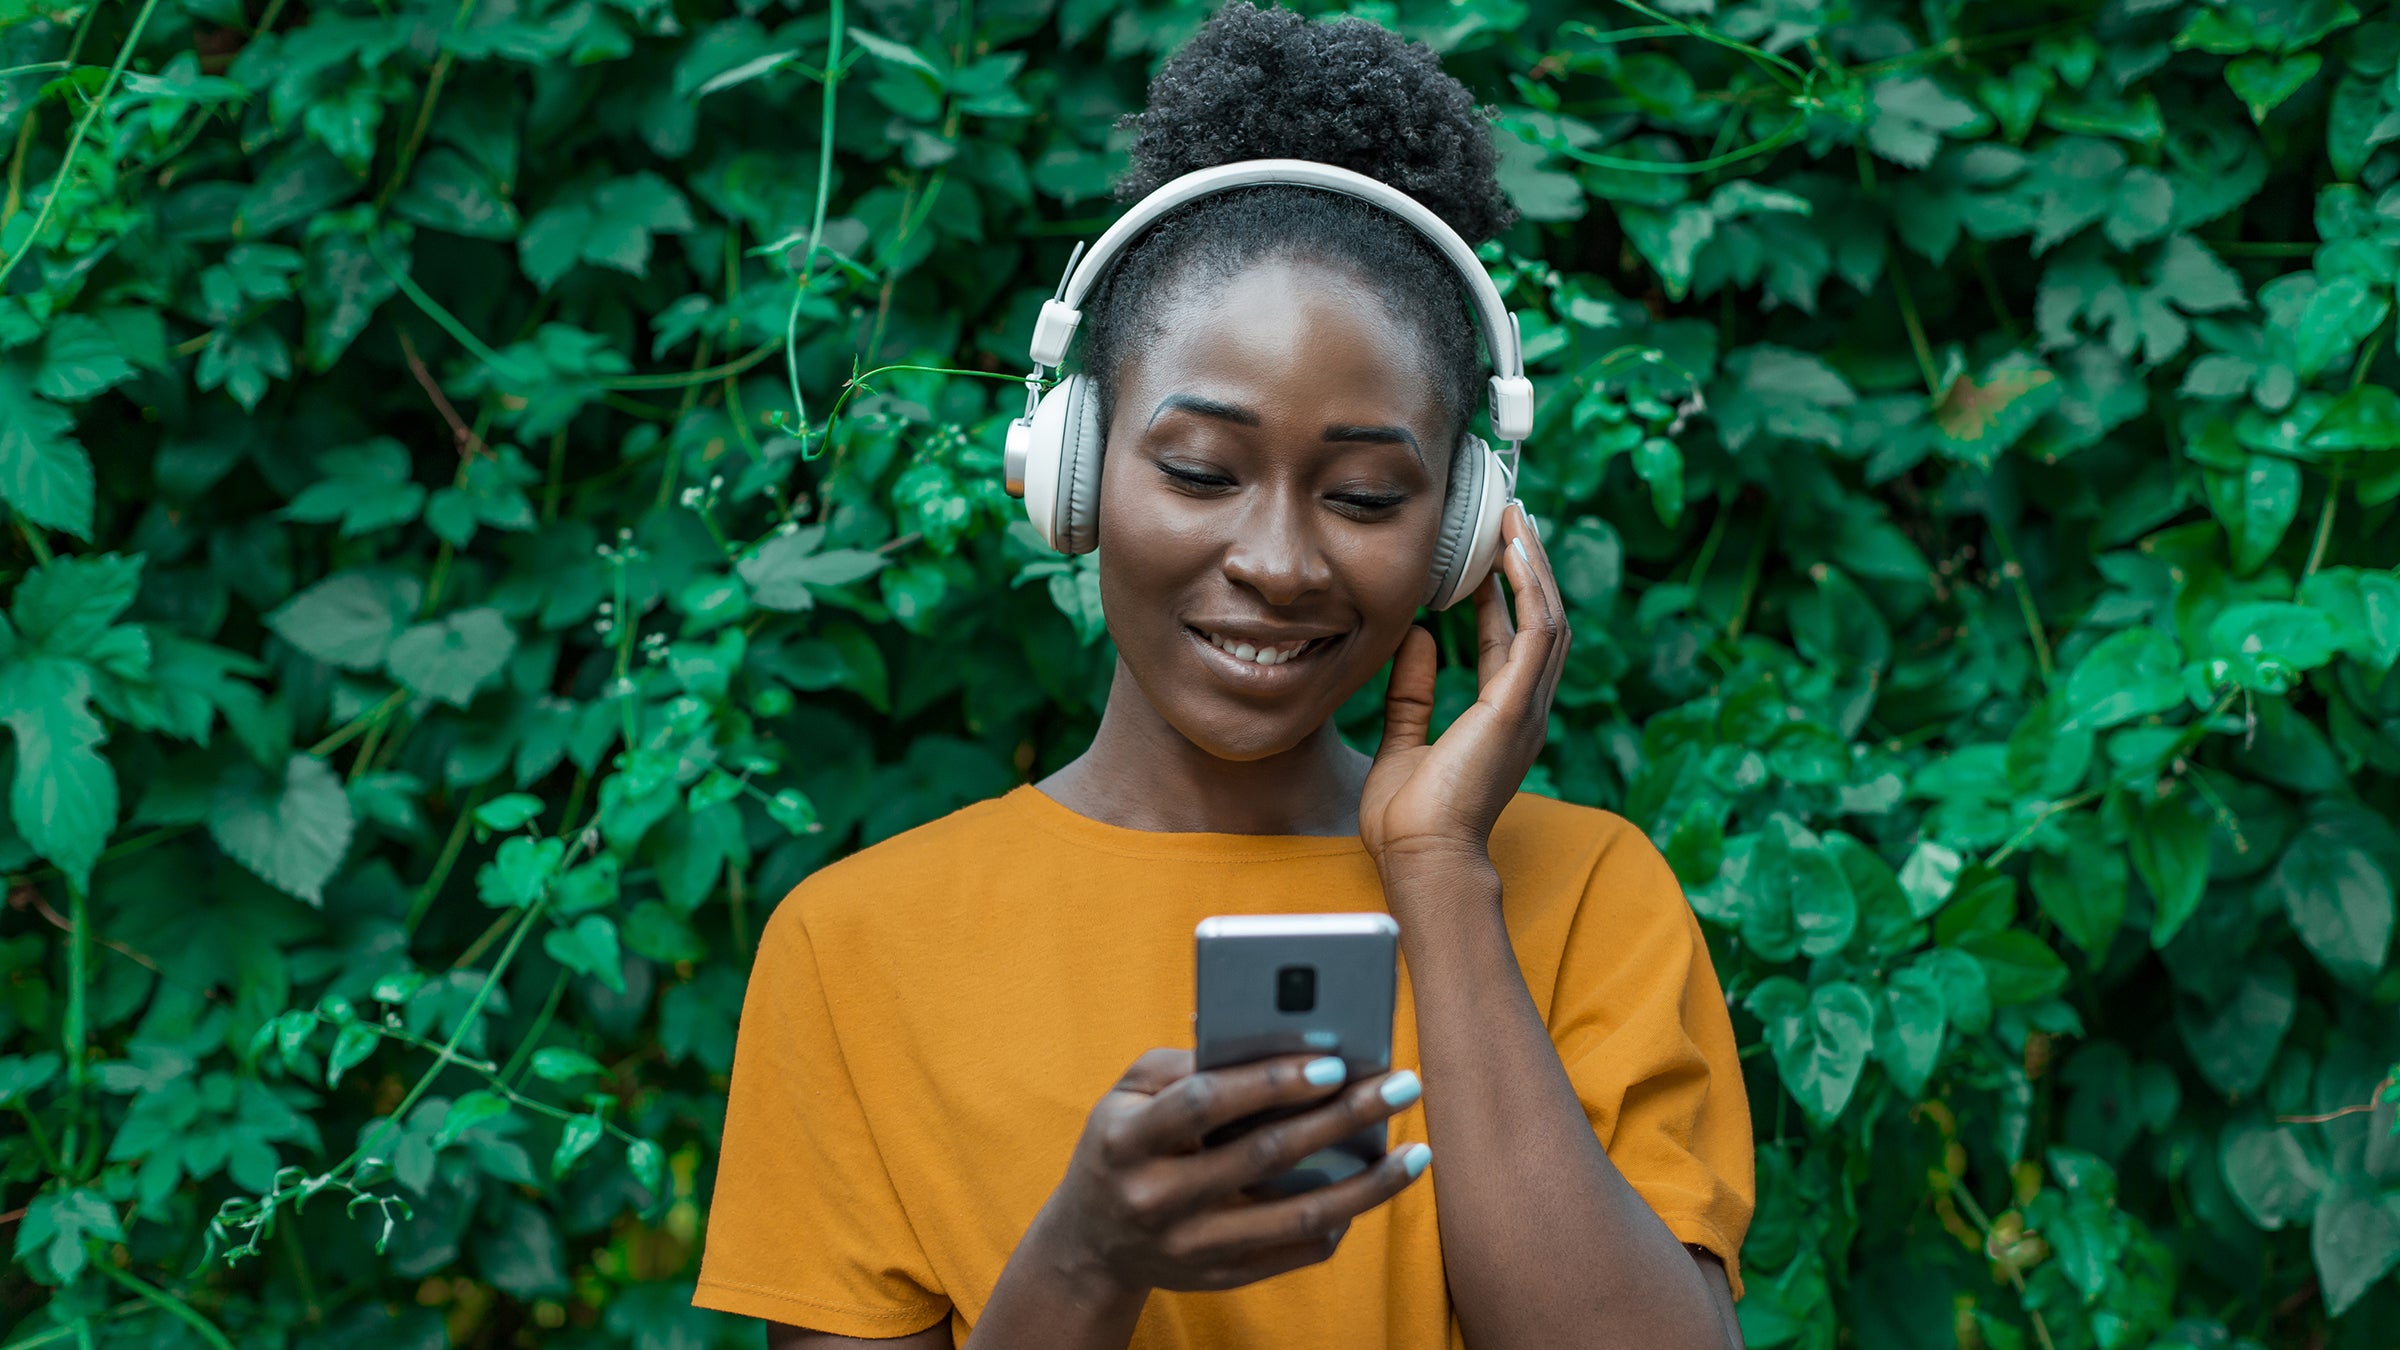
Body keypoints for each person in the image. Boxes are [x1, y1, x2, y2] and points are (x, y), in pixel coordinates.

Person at [693, 6, 1754, 1347]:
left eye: (1367, 494)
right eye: (1200, 470)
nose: (1278, 560)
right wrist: (1087, 1258)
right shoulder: (853, 950)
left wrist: (1439, 874)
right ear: (1068, 468)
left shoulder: (1585, 897)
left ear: (1459, 529)